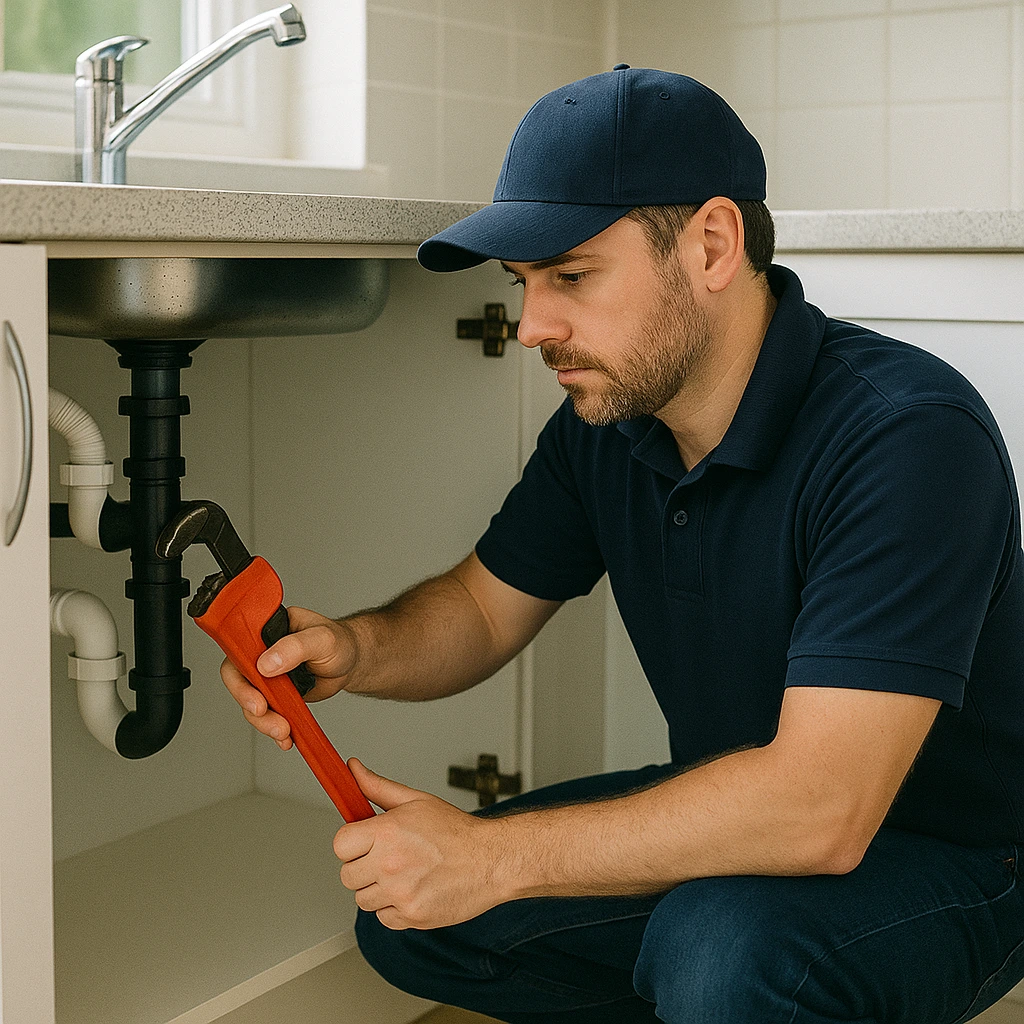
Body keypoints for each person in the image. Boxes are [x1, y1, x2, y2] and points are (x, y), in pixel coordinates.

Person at [221, 67, 1024, 1023]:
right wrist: (352, 649)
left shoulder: (906, 434)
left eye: (570, 276)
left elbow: (822, 807)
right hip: (747, 810)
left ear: (713, 246)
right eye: (522, 284)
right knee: (412, 914)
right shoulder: (608, 426)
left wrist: (490, 858)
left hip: (964, 851)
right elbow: (482, 609)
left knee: (719, 949)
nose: (533, 328)